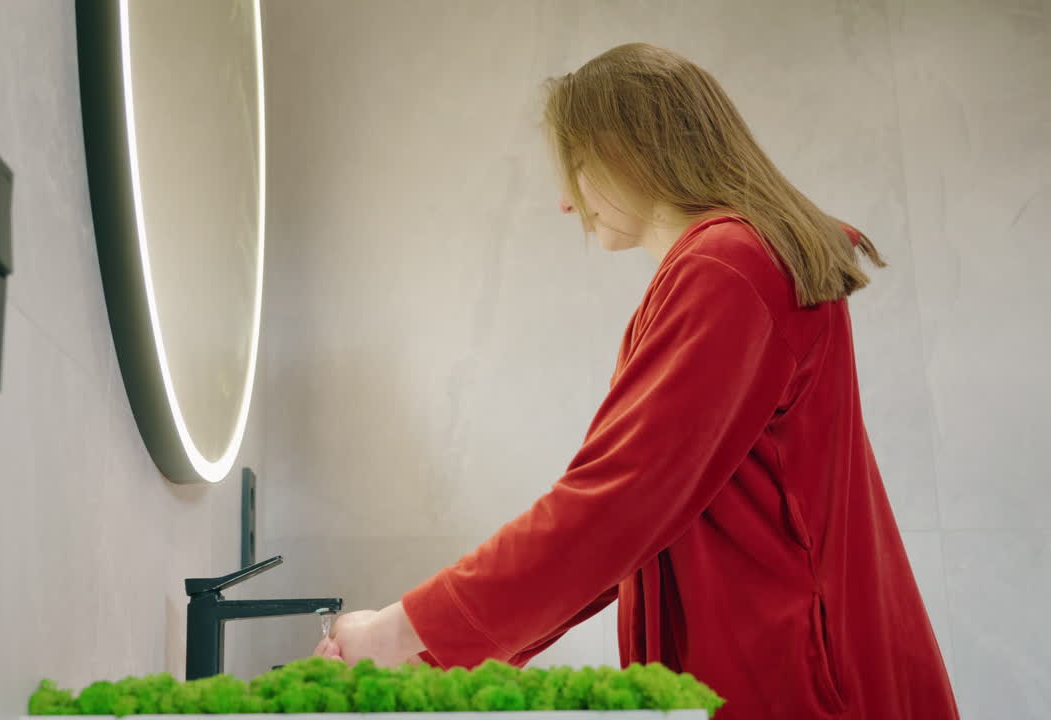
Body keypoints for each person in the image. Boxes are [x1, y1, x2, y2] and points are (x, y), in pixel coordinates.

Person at [313, 43, 958, 720]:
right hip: (799, 667)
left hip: (795, 681)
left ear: (625, 151)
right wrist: (429, 648)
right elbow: (632, 524)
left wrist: (396, 631)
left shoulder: (728, 267)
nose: (567, 204)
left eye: (577, 170)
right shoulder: (738, 262)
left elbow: (613, 508)